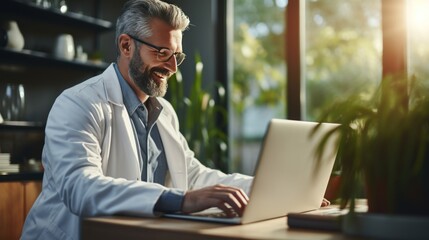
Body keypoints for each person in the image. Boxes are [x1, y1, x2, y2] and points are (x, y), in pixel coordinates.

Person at [21, 1, 328, 239]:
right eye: (163, 52)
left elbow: (193, 176)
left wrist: (272, 190)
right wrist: (179, 200)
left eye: (176, 56)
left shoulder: (163, 112)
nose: (172, 67)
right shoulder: (78, 103)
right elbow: (81, 189)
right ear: (126, 46)